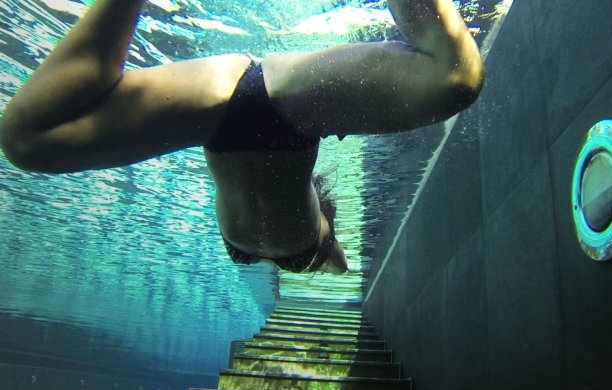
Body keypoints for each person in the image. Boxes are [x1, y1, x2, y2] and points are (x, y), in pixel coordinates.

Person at [0, 0, 484, 274]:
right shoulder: (321, 242)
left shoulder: (306, 241)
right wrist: (335, 263)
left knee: (28, 141)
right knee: (456, 80)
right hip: (289, 121)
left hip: (215, 119)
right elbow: (340, 265)